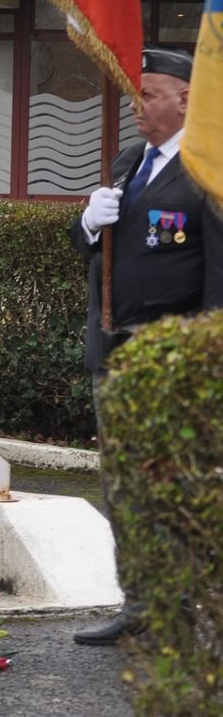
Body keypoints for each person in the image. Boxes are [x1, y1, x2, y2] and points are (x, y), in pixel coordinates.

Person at [70, 46, 223, 646]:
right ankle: (139, 603)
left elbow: (217, 276)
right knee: (124, 482)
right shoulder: (131, 160)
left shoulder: (207, 168)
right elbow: (94, 249)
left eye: (149, 94)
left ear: (186, 99)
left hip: (171, 360)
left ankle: (180, 607)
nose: (136, 106)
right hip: (114, 351)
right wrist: (87, 220)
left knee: (171, 485)